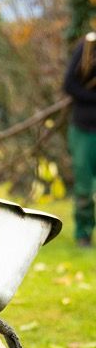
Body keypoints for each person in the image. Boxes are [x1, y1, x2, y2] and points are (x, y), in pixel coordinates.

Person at [64, 31, 96, 247]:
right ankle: (83, 235)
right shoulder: (87, 47)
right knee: (84, 187)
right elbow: (68, 84)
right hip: (83, 129)